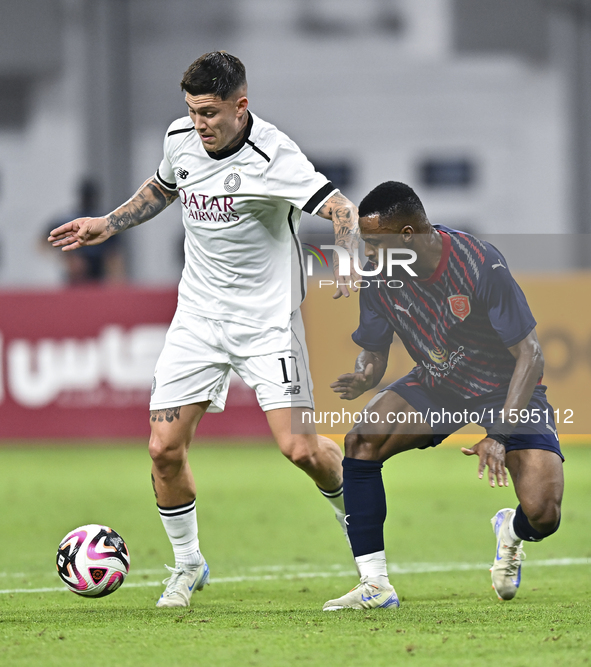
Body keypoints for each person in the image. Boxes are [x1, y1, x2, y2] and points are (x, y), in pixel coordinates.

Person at [49, 52, 359, 608]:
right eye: (192, 112)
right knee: (163, 448)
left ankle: (354, 511)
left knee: (300, 450)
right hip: (197, 319)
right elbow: (165, 187)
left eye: (211, 113)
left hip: (267, 324)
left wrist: (349, 261)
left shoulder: (275, 155)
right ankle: (188, 565)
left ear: (241, 106)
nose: (199, 124)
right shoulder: (180, 136)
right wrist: (108, 223)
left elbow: (341, 208)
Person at [323, 181, 564, 611]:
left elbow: (531, 354)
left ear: (408, 236)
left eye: (376, 243)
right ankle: (374, 585)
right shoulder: (380, 277)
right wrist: (365, 375)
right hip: (440, 383)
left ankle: (511, 531)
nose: (369, 253)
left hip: (504, 388)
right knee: (361, 440)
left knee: (544, 514)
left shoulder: (479, 264)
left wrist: (500, 434)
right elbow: (375, 354)